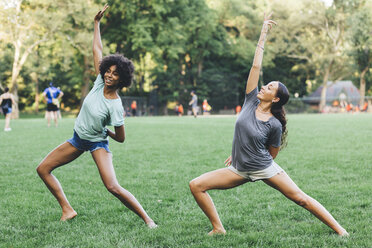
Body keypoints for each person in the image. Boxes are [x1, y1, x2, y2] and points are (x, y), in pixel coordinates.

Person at [189, 12, 348, 236]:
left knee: (300, 199)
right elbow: (255, 67)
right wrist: (263, 33)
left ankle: (341, 231)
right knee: (196, 185)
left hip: (263, 167)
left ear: (274, 99)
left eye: (269, 87)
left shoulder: (274, 124)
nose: (263, 86)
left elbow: (272, 154)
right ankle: (218, 228)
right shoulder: (250, 100)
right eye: (266, 84)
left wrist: (255, 160)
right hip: (239, 169)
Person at [36, 4, 157, 228]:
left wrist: (106, 131)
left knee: (112, 186)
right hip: (77, 139)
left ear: (122, 79)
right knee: (43, 169)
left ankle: (148, 220)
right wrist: (96, 24)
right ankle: (67, 209)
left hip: (97, 143)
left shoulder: (115, 105)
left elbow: (121, 138)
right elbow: (97, 52)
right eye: (108, 71)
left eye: (115, 74)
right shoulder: (99, 81)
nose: (110, 75)